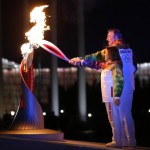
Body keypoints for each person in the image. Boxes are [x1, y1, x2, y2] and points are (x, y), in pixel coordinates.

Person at [69, 28, 137, 148]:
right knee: (126, 114)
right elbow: (133, 67)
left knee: (115, 115)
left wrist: (81, 59)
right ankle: (130, 141)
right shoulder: (128, 50)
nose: (107, 38)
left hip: (115, 87)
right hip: (129, 85)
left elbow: (96, 57)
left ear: (116, 37)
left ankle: (118, 141)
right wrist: (81, 62)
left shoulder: (112, 51)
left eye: (109, 35)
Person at [70, 46, 124, 148]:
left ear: (112, 54)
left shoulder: (115, 66)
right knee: (112, 118)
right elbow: (92, 64)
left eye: (106, 53)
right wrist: (79, 61)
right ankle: (118, 140)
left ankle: (117, 141)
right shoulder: (105, 65)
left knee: (114, 118)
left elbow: (119, 80)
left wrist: (117, 96)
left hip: (112, 97)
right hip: (107, 96)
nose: (104, 54)